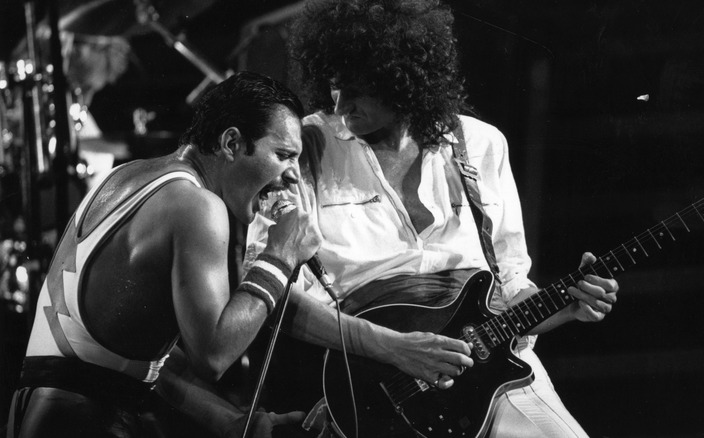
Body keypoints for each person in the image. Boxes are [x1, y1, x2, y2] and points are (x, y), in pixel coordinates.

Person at [244, 0, 620, 437]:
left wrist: (565, 307)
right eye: (334, 86)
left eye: (359, 88)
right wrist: (396, 349)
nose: (341, 104)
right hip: (370, 389)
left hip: (489, 375)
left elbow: (508, 288)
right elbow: (270, 293)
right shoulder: (305, 145)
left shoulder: (481, 145)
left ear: (403, 79)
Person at [5, 71, 321, 438]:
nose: (294, 176)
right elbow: (213, 356)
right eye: (284, 155)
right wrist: (279, 256)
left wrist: (233, 422)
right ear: (232, 142)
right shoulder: (197, 205)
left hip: (41, 414)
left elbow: (150, 360)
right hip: (84, 420)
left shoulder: (122, 177)